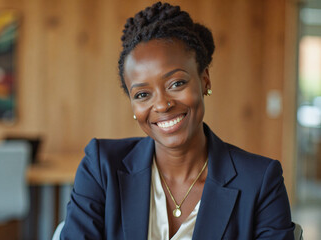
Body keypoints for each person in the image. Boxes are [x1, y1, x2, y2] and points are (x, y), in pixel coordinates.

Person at [60, 2, 295, 239]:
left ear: (205, 81)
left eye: (176, 83)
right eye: (142, 94)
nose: (162, 105)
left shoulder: (260, 181)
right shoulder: (101, 168)